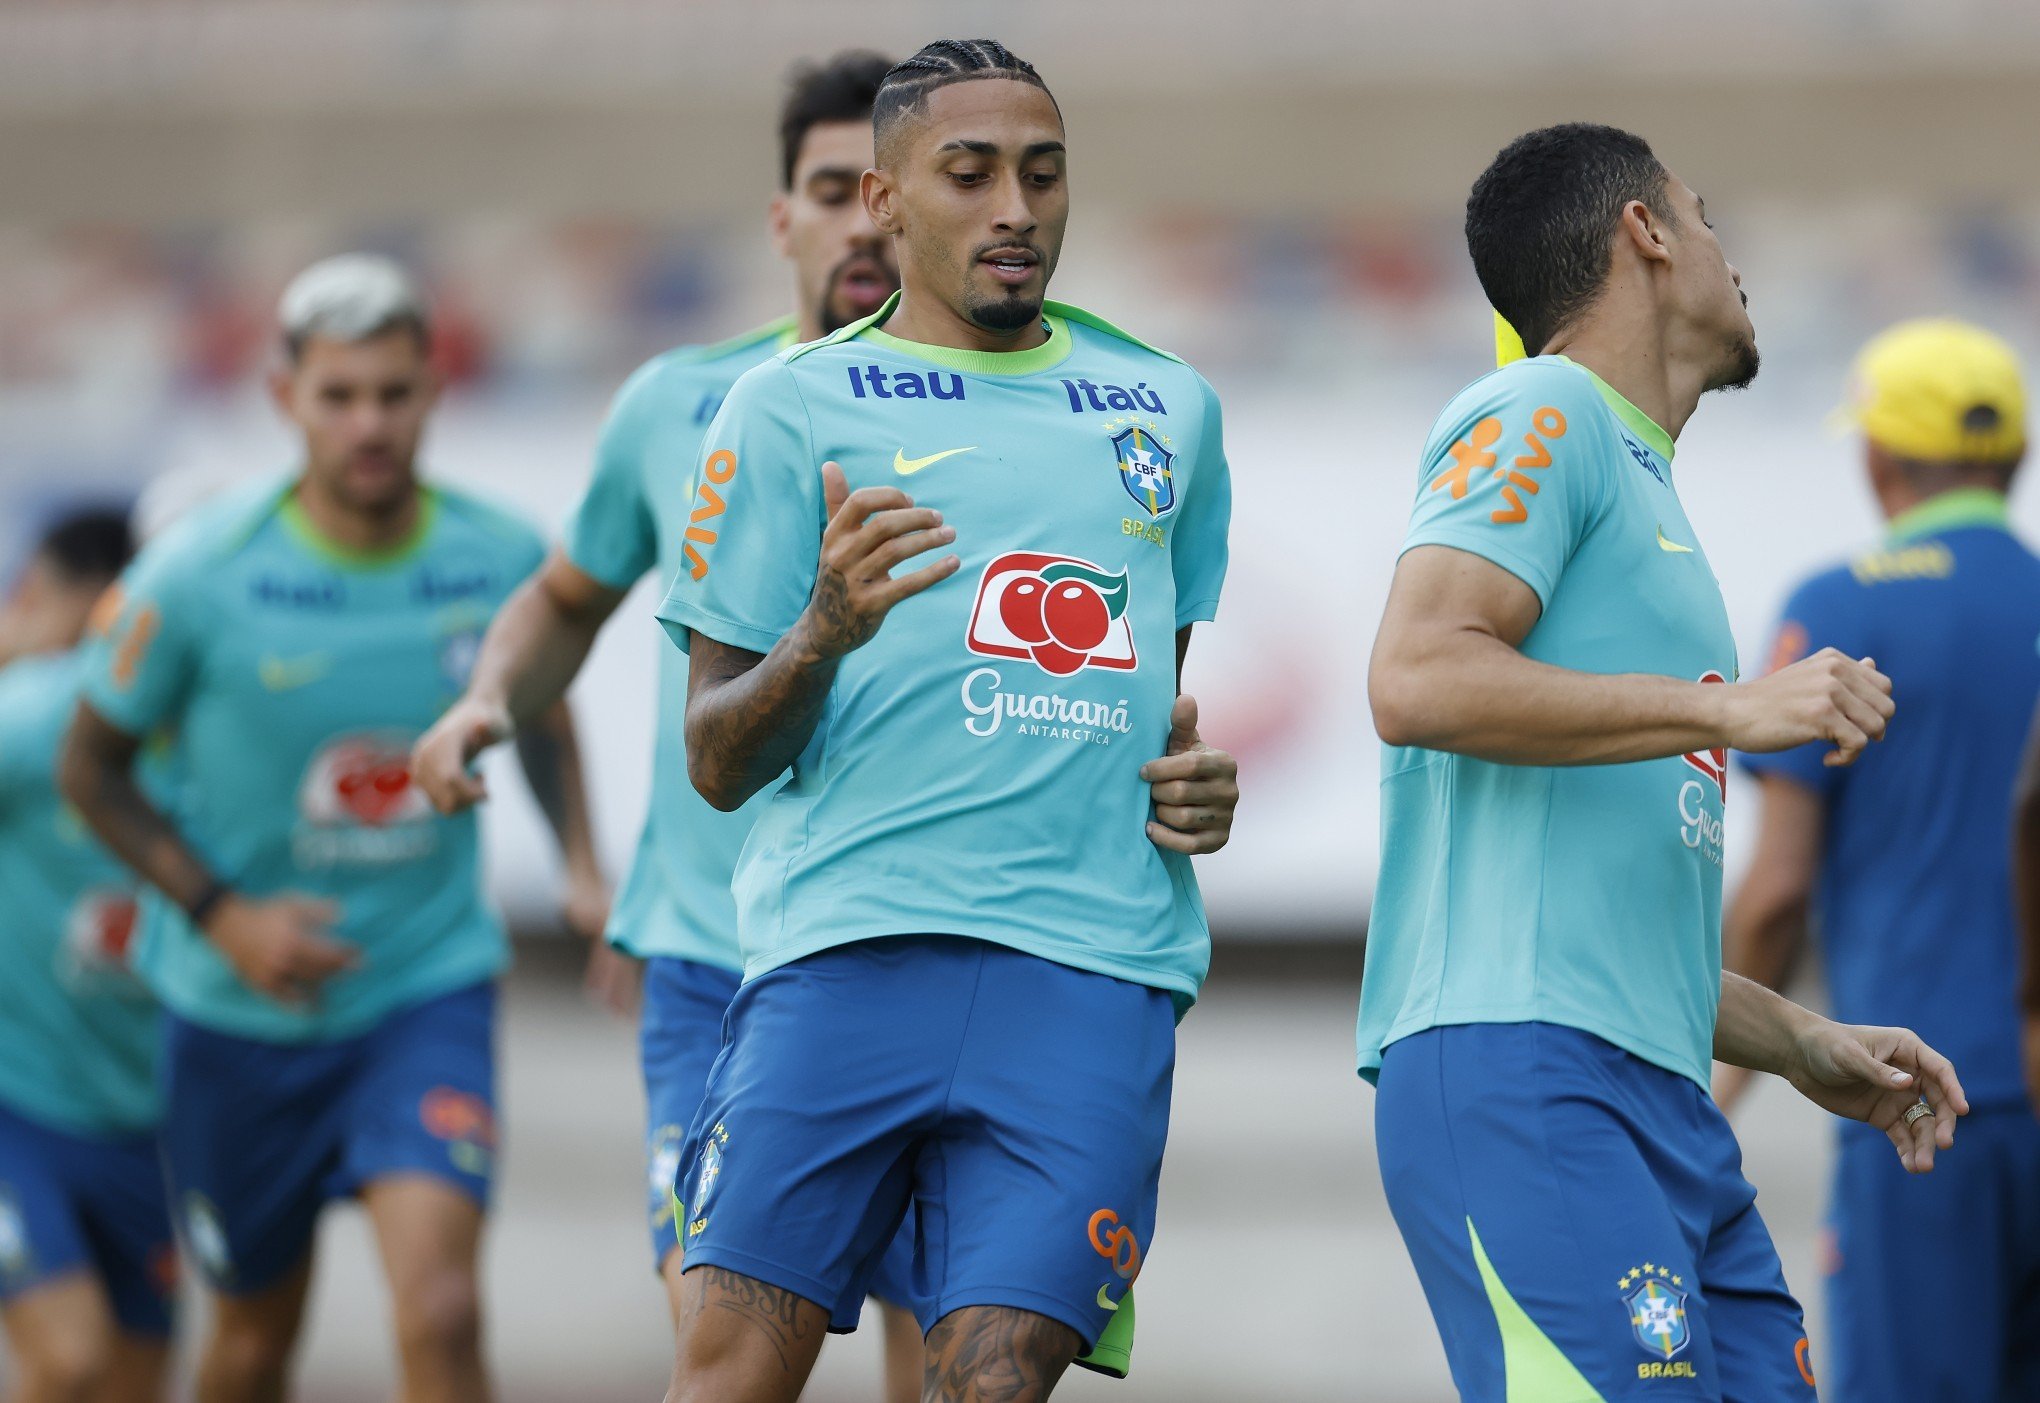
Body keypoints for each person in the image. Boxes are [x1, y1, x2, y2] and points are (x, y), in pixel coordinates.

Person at [652, 38, 1237, 1403]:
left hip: (1085, 971)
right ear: (885, 199)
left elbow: (1156, 706)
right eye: (970, 174)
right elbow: (715, 758)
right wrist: (822, 632)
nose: (1015, 209)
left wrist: (1195, 785)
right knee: (728, 1371)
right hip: (845, 954)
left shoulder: (1171, 409)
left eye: (1042, 175)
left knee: (991, 1381)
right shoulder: (786, 409)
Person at [1361, 123, 1969, 1402]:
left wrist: (1799, 1040)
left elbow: (1604, 919)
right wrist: (1738, 708)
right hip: (1526, 1078)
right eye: (1705, 216)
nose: (1728, 256)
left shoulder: (1647, 490)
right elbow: (1414, 676)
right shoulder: (1540, 407)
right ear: (1644, 231)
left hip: (1658, 1098)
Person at [408, 50, 926, 1400]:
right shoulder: (675, 407)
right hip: (713, 965)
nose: (864, 222)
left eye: (891, 191)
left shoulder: (1021, 416)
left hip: (927, 951)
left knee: (951, 1377)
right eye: (833, 190)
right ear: (783, 217)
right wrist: (484, 697)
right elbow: (566, 597)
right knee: (723, 1359)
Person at [58, 254, 606, 1403]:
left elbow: (545, 716)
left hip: (425, 985)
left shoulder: (501, 555)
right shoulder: (199, 576)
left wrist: (583, 871)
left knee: (442, 1309)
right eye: (340, 395)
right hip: (238, 1015)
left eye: (394, 393)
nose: (370, 423)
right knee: (254, 1345)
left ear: (433, 394)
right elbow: (90, 768)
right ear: (284, 397)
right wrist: (224, 915)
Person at [1727, 318, 2040, 1401]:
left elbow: (1778, 887)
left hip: (1919, 1097)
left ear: (1876, 455)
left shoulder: (1842, 605)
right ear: (2014, 457)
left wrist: (1717, 1069)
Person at [0, 510, 175, 1403]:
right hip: (17, 1108)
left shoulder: (215, 731)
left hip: (148, 1127)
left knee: (125, 1384)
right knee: (67, 1361)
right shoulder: (38, 717)